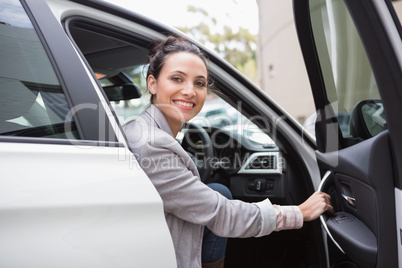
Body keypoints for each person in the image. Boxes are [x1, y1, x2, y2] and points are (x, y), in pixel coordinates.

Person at [124, 35, 333, 268]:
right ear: (152, 83)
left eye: (199, 83)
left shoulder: (140, 129)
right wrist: (300, 212)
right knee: (220, 198)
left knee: (219, 190)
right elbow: (221, 214)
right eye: (177, 79)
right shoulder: (153, 145)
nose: (190, 91)